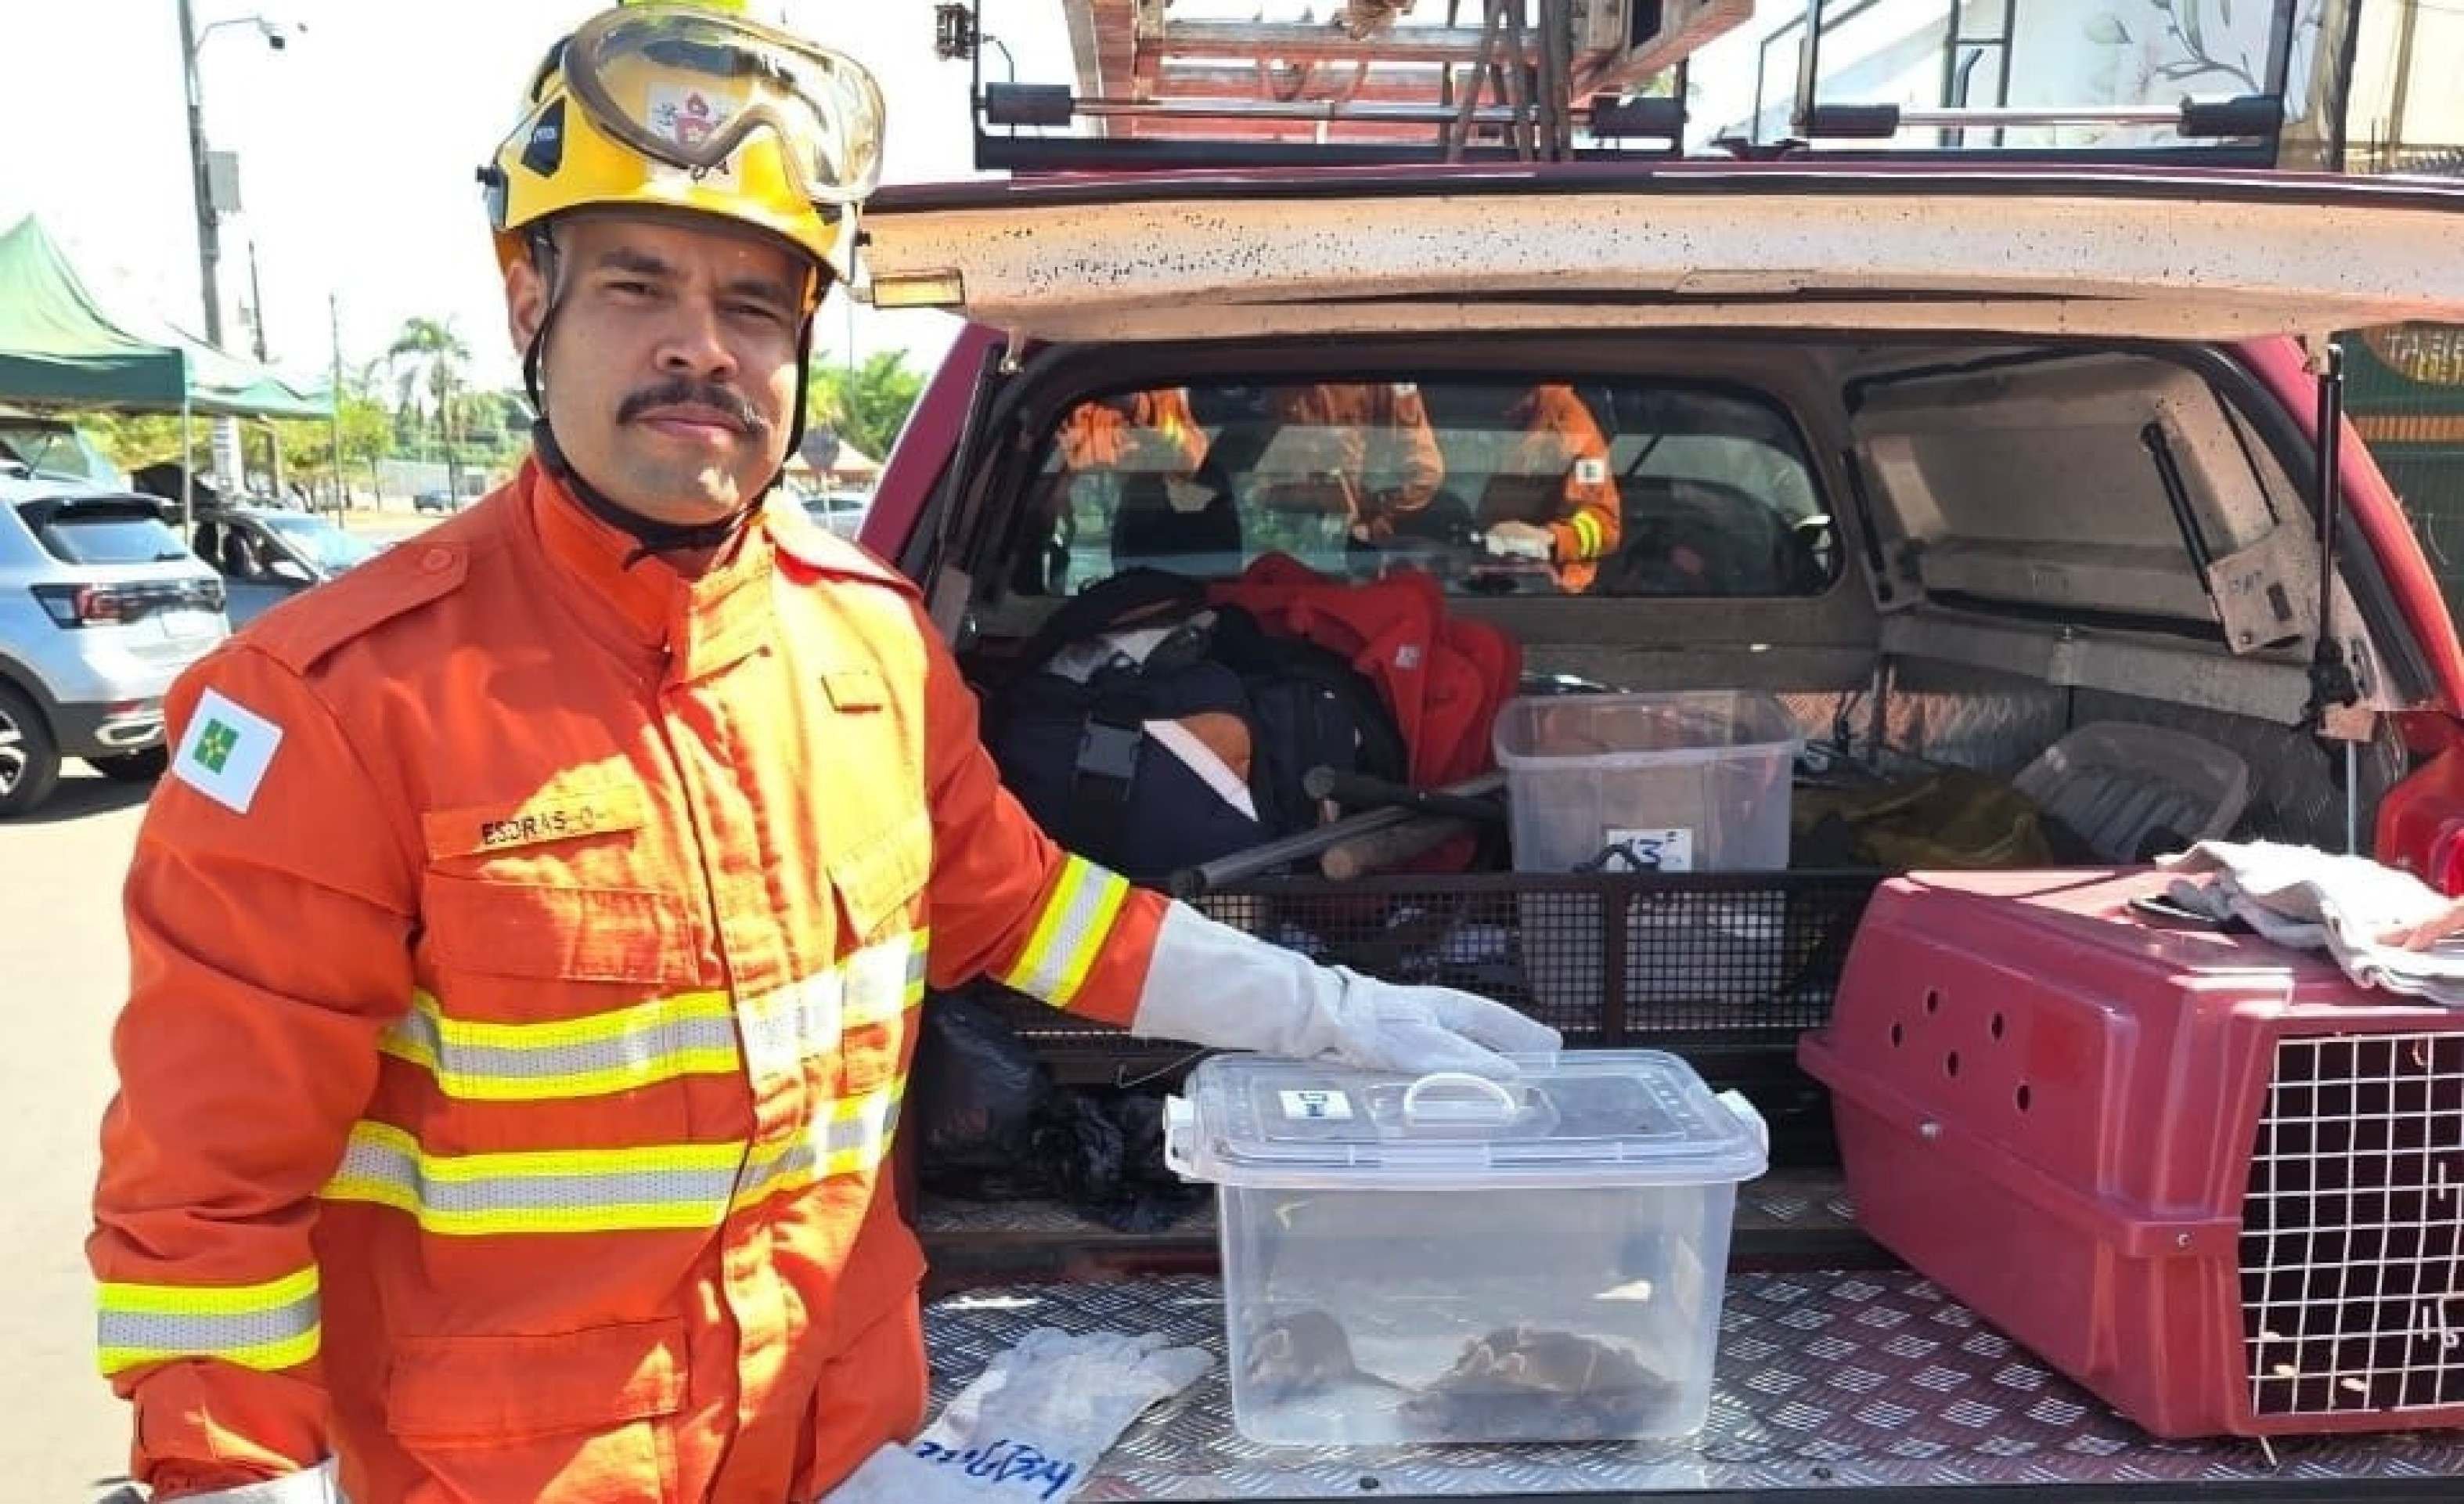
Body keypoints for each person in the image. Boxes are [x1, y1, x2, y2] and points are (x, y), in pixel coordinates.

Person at [85, 7, 1558, 1503]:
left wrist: (1333, 1014)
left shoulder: (867, 643)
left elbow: (1029, 909)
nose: (698, 347)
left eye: (753, 302)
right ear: (528, 296)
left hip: (841, 1449)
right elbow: (203, 1211)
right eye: (637, 285)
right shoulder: (326, 706)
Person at [1475, 384, 1622, 593]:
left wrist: (1547, 539)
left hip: (1553, 589)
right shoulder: (1520, 423)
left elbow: (1606, 528)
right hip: (1503, 573)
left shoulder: (1569, 427)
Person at [1259, 381, 1446, 545]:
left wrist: (1375, 520)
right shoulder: (1269, 374)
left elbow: (1426, 472)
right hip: (1276, 539)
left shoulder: (1384, 378)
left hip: (1354, 548)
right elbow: (1255, 482)